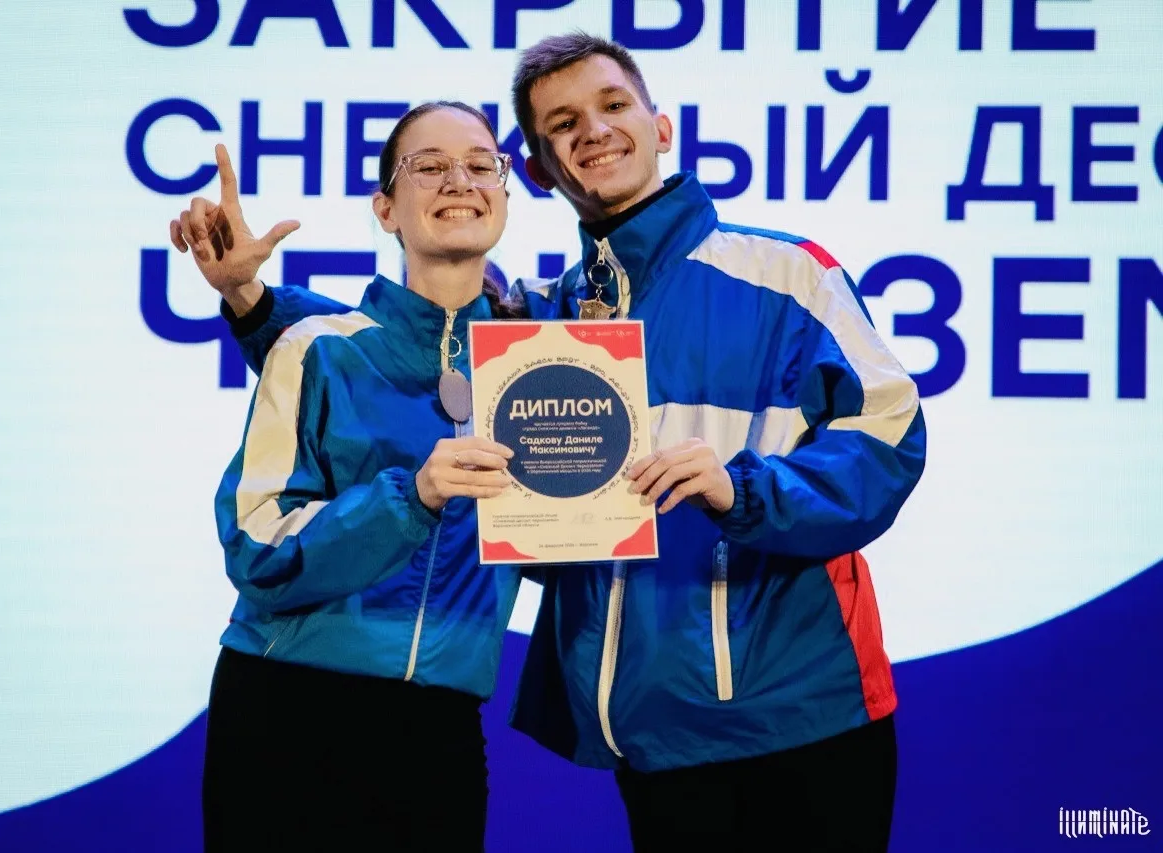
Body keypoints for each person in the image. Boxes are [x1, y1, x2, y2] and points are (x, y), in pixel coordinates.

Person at [222, 34, 927, 853]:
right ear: (540, 168)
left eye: (613, 105)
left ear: (662, 126)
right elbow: (400, 347)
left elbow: (889, 438)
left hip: (800, 711)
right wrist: (254, 302)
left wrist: (745, 489)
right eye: (562, 123)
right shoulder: (545, 319)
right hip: (650, 736)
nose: (593, 129)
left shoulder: (786, 272)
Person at [169, 101, 525, 852]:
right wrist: (411, 497)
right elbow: (257, 547)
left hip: (441, 725)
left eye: (480, 164)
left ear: (504, 192)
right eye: (429, 166)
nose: (459, 180)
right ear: (385, 209)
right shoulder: (315, 350)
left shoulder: (542, 370)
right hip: (290, 708)